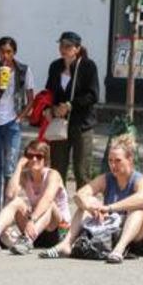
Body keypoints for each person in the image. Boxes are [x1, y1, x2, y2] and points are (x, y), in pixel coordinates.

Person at [38, 135, 143, 263]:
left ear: (130, 159)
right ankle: (66, 244)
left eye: (118, 160)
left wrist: (109, 208)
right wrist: (90, 207)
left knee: (138, 209)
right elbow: (79, 195)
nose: (113, 165)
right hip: (116, 230)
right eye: (110, 160)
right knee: (86, 203)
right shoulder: (107, 179)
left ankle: (119, 250)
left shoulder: (140, 180)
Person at [0, 139, 70, 255]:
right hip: (35, 230)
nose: (34, 159)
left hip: (56, 229)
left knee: (50, 204)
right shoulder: (25, 176)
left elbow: (47, 199)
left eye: (39, 156)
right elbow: (10, 195)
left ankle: (26, 240)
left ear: (45, 160)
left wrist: (32, 219)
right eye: (30, 156)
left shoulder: (53, 175)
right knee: (16, 201)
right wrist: (18, 167)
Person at [0, 36, 34, 213]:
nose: (5, 55)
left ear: (14, 53)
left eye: (9, 52)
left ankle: (8, 207)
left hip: (12, 123)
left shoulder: (23, 70)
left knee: (10, 168)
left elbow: (30, 99)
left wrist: (21, 116)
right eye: (2, 51)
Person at [43, 31, 99, 189]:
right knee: (57, 170)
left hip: (81, 124)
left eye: (68, 46)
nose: (63, 49)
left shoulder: (87, 66)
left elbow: (93, 95)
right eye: (61, 45)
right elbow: (49, 92)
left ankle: (84, 207)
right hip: (59, 123)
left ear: (77, 48)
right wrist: (48, 108)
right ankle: (59, 209)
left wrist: (70, 105)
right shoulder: (55, 66)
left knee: (82, 171)